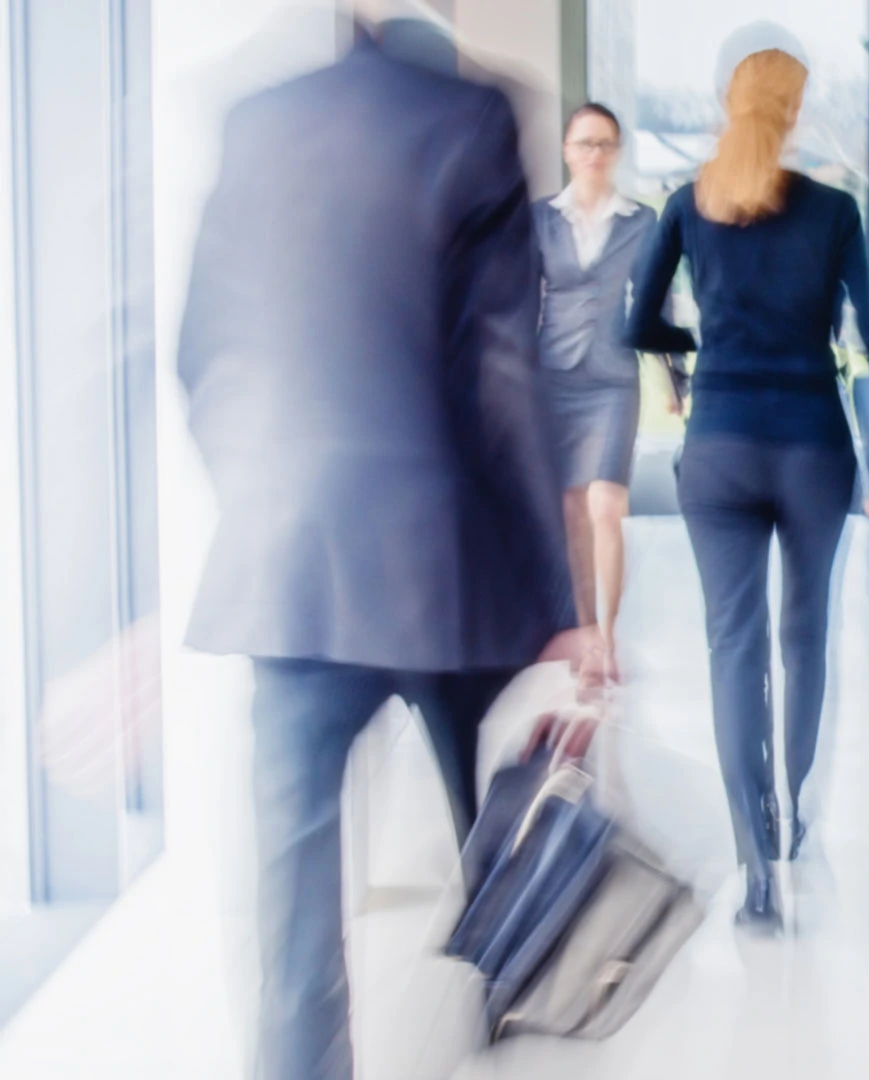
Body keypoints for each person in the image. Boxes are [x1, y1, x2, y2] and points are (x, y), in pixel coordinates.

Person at [176, 23, 581, 1080]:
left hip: (292, 576)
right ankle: (509, 992)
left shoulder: (256, 122)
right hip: (439, 573)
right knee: (494, 817)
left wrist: (267, 501)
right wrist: (558, 597)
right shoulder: (472, 119)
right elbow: (502, 377)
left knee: (295, 914)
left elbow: (204, 352)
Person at [626, 21, 869, 930]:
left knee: (732, 646)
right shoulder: (835, 212)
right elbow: (863, 344)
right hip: (812, 444)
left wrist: (705, 341)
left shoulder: (683, 204)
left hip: (720, 445)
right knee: (804, 634)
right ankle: (794, 812)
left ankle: (754, 862)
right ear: (795, 113)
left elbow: (638, 327)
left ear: (726, 106)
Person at [536, 103, 673, 677]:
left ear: (617, 153)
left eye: (605, 144)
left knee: (606, 506)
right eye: (584, 143)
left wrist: (675, 378)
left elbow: (655, 303)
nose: (594, 154)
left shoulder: (642, 222)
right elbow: (519, 299)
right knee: (571, 512)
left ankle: (608, 638)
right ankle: (584, 631)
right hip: (554, 376)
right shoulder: (539, 219)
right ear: (567, 150)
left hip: (614, 378)